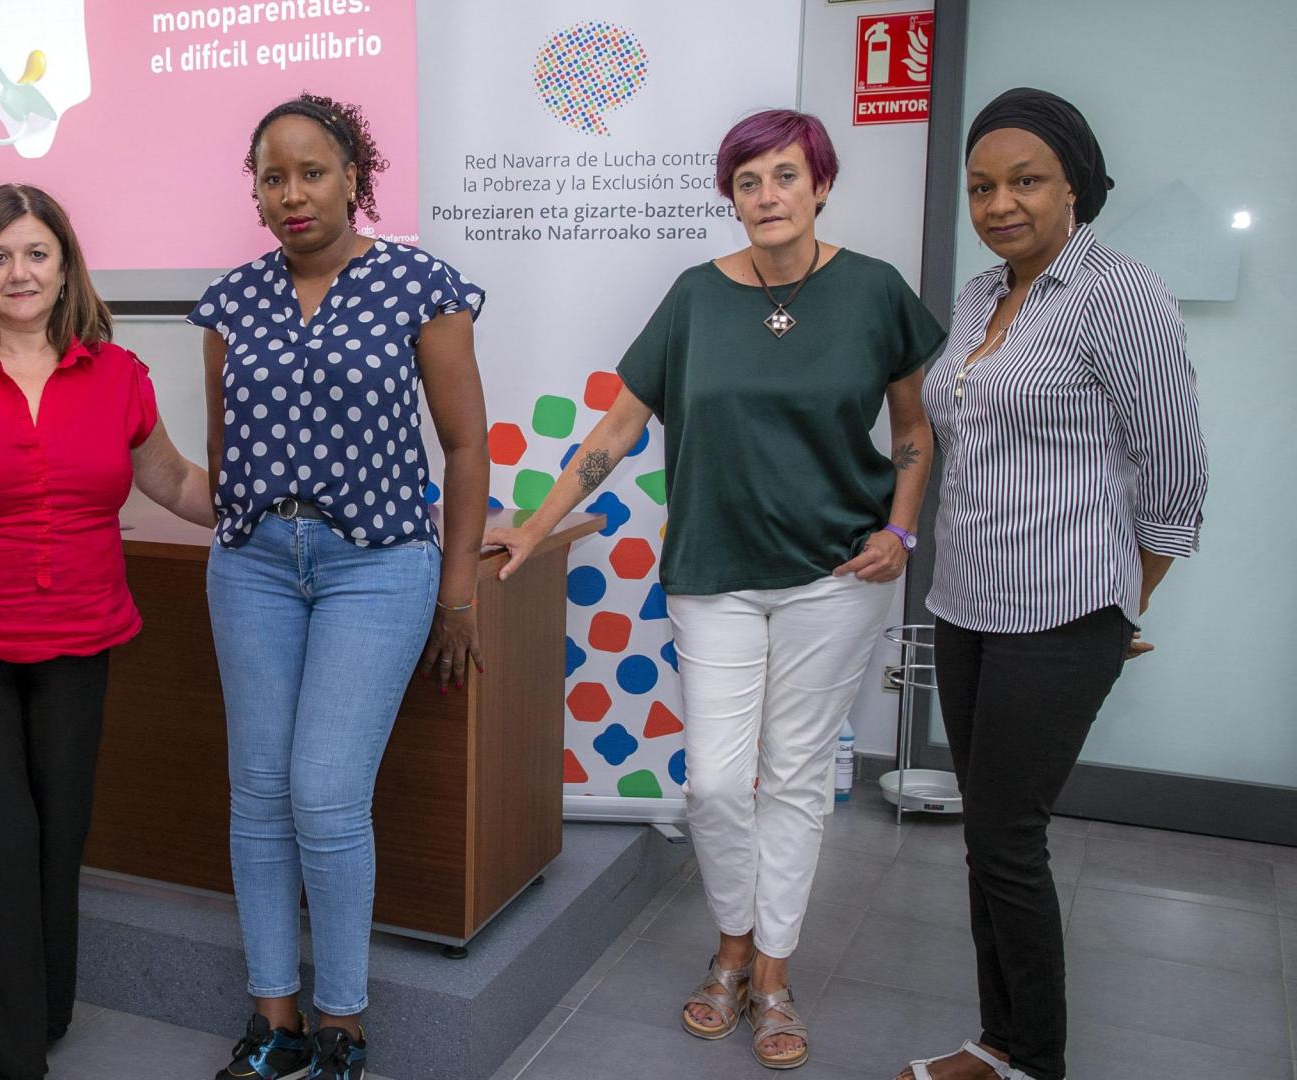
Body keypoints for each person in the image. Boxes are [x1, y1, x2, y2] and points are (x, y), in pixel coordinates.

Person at [486, 109, 944, 1069]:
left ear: (821, 184)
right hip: (712, 573)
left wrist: (900, 528)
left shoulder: (873, 292)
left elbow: (913, 425)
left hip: (836, 576)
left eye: (785, 176)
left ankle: (762, 968)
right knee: (720, 781)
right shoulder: (696, 297)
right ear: (728, 195)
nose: (767, 196)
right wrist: (533, 524)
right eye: (748, 180)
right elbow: (617, 430)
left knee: (798, 778)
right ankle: (733, 936)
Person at [0, 182, 213, 1080]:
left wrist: (299, 496)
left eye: (36, 254)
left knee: (57, 846)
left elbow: (175, 482)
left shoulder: (118, 376)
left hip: (78, 649)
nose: (19, 272)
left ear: (65, 268)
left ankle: (39, 1015)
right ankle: (4, 1055)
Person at [899, 88, 1206, 1080]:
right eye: (982, 185)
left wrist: (1124, 603)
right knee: (987, 842)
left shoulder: (1121, 294)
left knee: (1007, 837)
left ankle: (1029, 1054)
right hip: (966, 605)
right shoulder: (983, 296)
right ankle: (999, 1040)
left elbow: (1174, 474)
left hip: (1064, 611)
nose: (999, 203)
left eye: (1025, 181)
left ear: (1075, 184)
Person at [192, 93, 490, 1080]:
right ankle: (272, 1021)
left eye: (312, 171)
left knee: (324, 795)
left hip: (378, 564)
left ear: (357, 175)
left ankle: (343, 1024)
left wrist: (458, 593)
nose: (292, 194)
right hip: (255, 566)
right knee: (260, 795)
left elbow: (463, 446)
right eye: (272, 177)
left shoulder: (420, 284)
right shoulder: (231, 302)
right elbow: (225, 456)